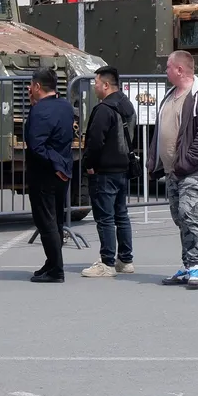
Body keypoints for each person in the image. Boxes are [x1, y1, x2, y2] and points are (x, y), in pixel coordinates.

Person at [152, 50, 198, 290]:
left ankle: (195, 265)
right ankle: (187, 264)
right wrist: (155, 162)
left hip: (195, 169)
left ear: (179, 70)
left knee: (188, 213)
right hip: (173, 170)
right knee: (178, 216)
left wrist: (186, 163)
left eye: (168, 67)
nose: (165, 71)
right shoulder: (170, 95)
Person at [81, 66, 136, 277]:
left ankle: (107, 263)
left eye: (96, 83)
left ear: (105, 85)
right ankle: (125, 260)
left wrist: (88, 164)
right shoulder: (126, 104)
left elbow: (95, 141)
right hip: (123, 167)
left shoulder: (104, 109)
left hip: (104, 171)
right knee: (121, 215)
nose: (94, 87)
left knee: (105, 218)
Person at [24, 68, 76, 283]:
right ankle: (52, 262)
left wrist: (54, 165)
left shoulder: (39, 111)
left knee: (46, 222)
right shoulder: (65, 106)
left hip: (45, 172)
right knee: (56, 219)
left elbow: (36, 145)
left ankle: (56, 269)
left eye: (31, 85)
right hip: (62, 169)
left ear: (37, 86)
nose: (29, 88)